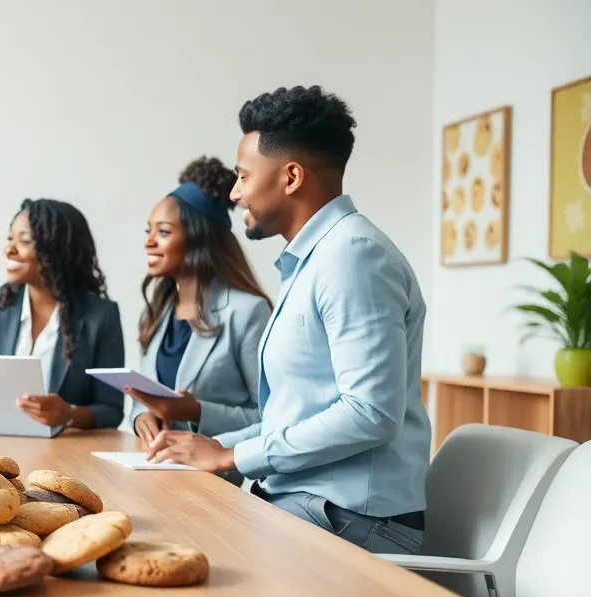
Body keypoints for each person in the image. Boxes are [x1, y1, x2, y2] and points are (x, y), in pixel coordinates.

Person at [147, 86, 431, 555]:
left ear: (291, 177)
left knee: (183, 550)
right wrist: (209, 446)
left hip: (352, 522)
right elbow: (294, 416)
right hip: (305, 504)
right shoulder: (314, 260)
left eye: (242, 177)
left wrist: (231, 455)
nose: (235, 193)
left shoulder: (353, 257)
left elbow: (371, 413)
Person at [0, 199, 125, 430]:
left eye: (24, 241)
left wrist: (69, 414)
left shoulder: (101, 316)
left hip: (64, 451)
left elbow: (111, 410)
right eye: (10, 238)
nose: (10, 249)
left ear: (58, 249)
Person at [125, 157, 271, 447]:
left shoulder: (248, 312)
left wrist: (197, 411)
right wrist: (141, 416)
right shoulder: (159, 312)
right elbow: (146, 397)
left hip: (212, 480)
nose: (149, 242)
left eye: (163, 232)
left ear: (198, 239)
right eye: (148, 231)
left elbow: (271, 419)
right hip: (154, 468)